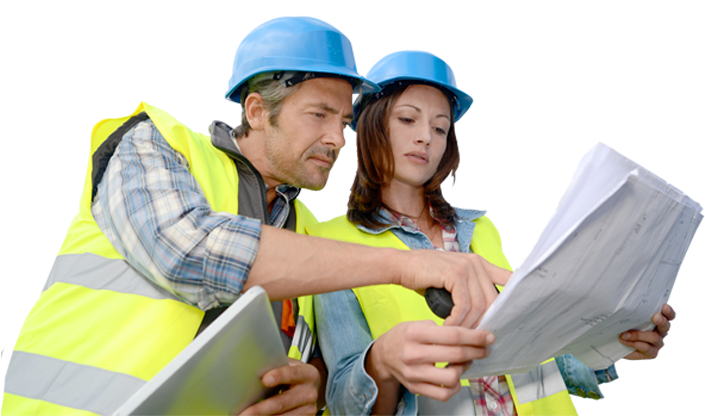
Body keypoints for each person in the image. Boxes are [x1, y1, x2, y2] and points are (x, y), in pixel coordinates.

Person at [1, 18, 513, 416]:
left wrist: (309, 388)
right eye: (319, 115)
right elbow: (191, 252)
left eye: (343, 121)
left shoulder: (310, 232)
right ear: (256, 111)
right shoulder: (154, 142)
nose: (338, 139)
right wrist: (409, 266)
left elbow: (309, 361)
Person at [306, 49, 675, 415]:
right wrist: (382, 362)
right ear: (371, 126)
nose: (425, 138)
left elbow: (542, 357)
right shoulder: (332, 246)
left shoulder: (482, 230)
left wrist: (617, 343)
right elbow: (343, 400)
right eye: (407, 119)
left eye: (440, 127)